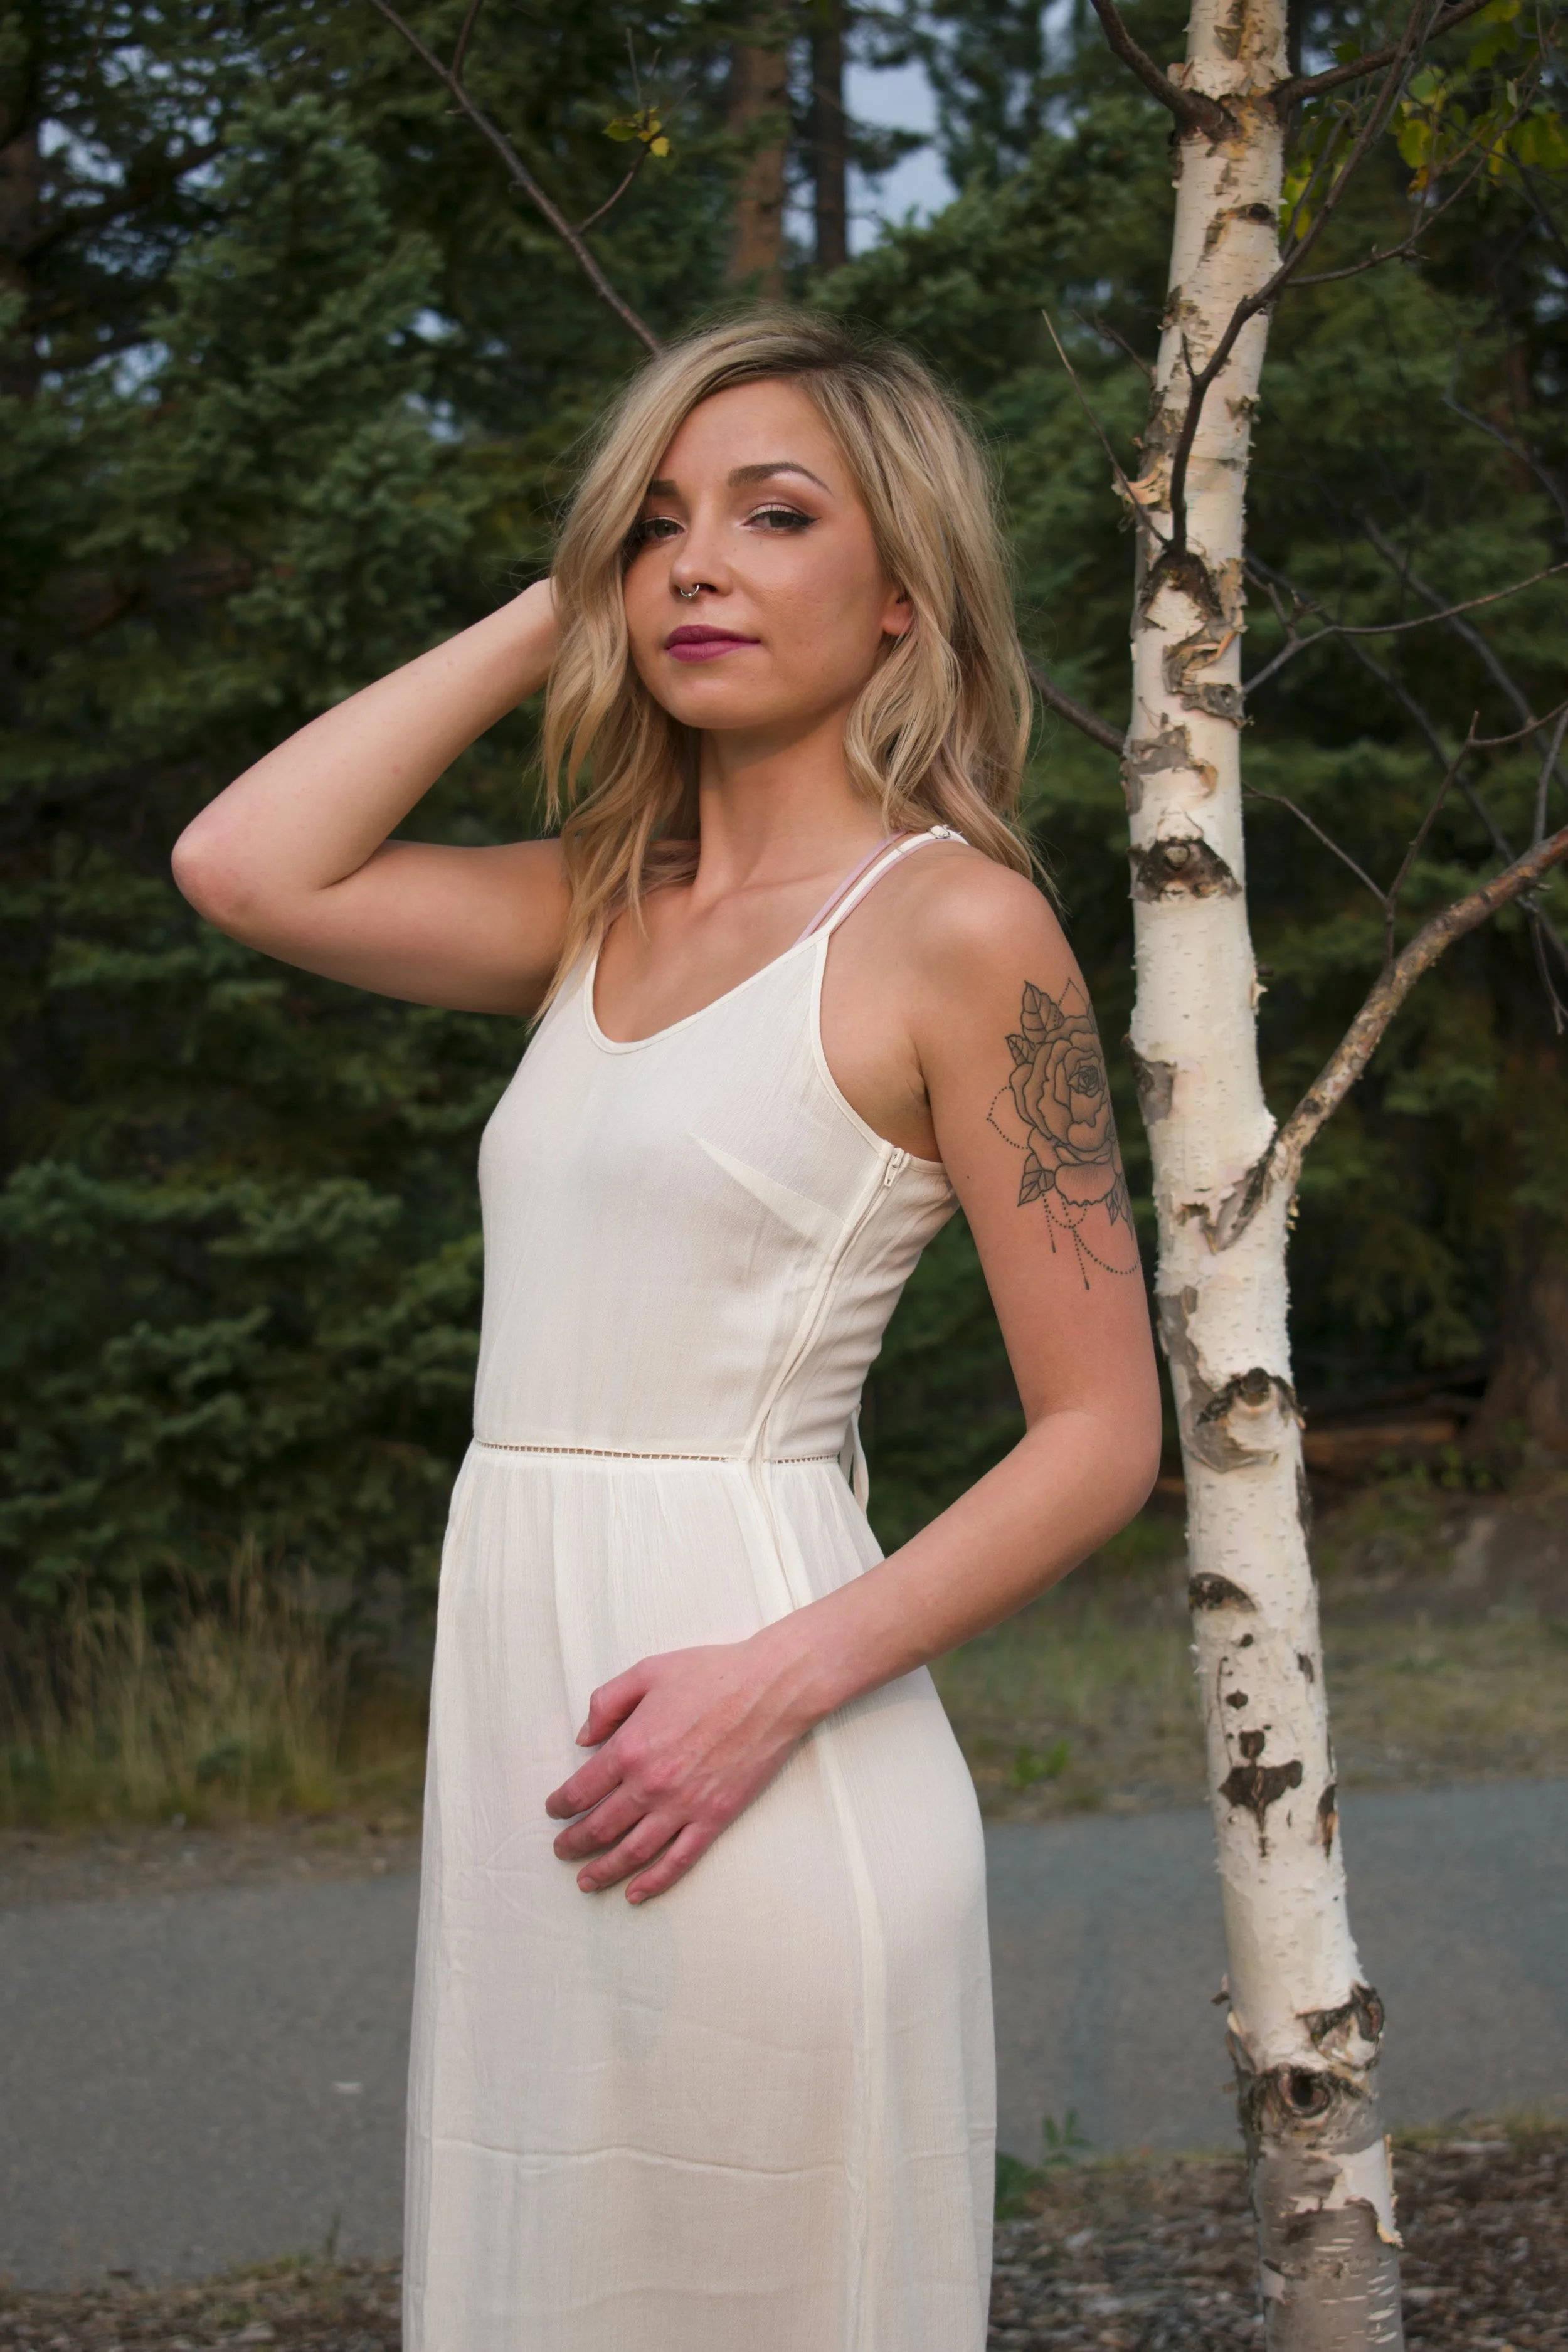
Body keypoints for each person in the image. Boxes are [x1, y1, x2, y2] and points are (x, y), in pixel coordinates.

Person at [172, 312, 1161, 2352]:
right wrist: (565, 598)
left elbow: (1100, 1434)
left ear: (903, 598)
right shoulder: (595, 902)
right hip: (528, 1729)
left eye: (772, 517)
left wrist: (765, 1688)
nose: (697, 565)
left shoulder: (954, 924)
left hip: (756, 1718)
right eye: (657, 526)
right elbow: (242, 864)